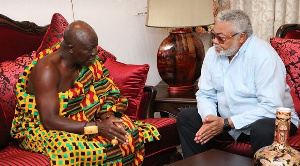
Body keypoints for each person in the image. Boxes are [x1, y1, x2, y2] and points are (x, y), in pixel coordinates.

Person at [11, 20, 160, 165]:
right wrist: (98, 128)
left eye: (95, 47)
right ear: (70, 48)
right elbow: (49, 121)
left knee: (127, 130)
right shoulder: (47, 71)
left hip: (84, 118)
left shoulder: (87, 61)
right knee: (74, 150)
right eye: (89, 49)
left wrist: (108, 118)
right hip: (43, 128)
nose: (95, 53)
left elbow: (101, 94)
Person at [176, 9, 299, 158]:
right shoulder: (213, 53)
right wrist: (210, 119)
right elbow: (205, 94)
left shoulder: (264, 56)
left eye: (220, 38)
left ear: (241, 38)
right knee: (186, 117)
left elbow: (271, 107)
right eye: (213, 35)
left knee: (261, 128)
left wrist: (227, 123)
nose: (215, 41)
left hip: (271, 120)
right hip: (226, 121)